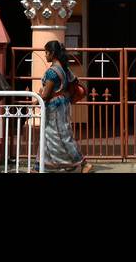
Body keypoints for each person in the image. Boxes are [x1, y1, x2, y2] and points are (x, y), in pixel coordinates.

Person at [37, 40, 90, 173]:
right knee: (54, 136)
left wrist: (38, 97)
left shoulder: (52, 72)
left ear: (52, 53)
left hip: (54, 108)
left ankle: (82, 162)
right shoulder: (64, 69)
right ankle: (45, 165)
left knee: (61, 137)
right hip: (63, 105)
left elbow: (46, 94)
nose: (45, 55)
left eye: (46, 52)